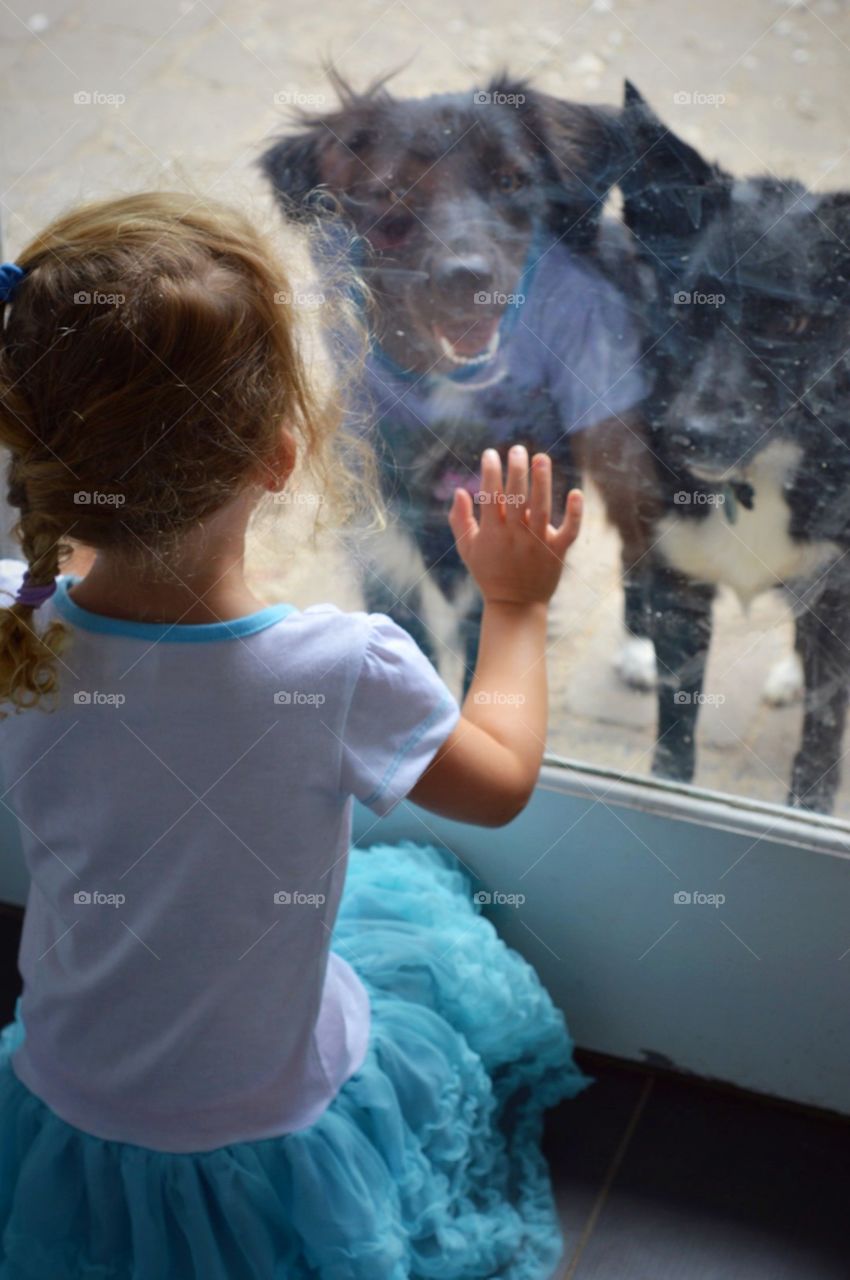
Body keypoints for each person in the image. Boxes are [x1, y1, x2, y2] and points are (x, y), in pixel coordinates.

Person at [0, 193, 586, 1280]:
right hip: (269, 1115)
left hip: (68, 1088)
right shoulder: (334, 671)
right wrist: (514, 609)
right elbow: (499, 782)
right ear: (278, 456)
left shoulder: (14, 624)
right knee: (407, 891)